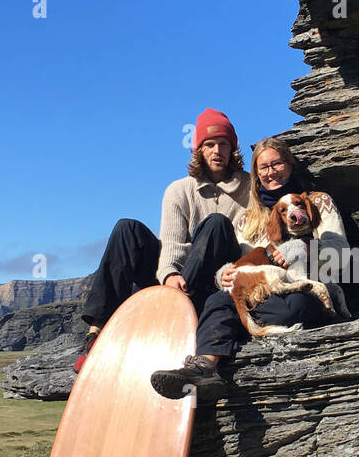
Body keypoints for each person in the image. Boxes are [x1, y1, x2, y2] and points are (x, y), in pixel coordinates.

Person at [151, 136, 351, 394]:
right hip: (261, 291)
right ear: (256, 175)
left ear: (290, 165)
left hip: (306, 287)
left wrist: (306, 250)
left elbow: (342, 252)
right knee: (218, 299)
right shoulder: (249, 218)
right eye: (263, 168)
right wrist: (223, 275)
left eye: (277, 164)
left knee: (296, 307)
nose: (271, 173)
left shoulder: (317, 202)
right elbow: (236, 260)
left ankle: (242, 329)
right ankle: (204, 367)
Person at [74, 108, 250, 370]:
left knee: (216, 223)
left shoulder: (249, 188)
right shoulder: (179, 190)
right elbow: (172, 242)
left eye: (223, 144)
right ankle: (96, 334)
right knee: (127, 228)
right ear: (199, 150)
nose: (216, 151)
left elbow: (250, 239)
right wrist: (168, 274)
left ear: (232, 149)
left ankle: (179, 316)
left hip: (216, 283)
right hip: (176, 283)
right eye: (209, 144)